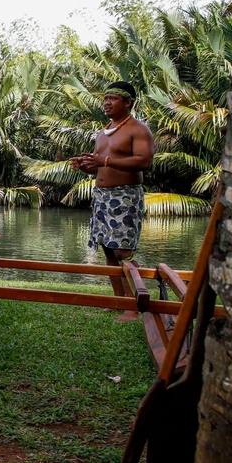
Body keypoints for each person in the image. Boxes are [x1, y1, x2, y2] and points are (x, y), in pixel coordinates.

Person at [70, 81, 154, 322]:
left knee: (123, 251)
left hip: (125, 196)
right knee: (108, 249)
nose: (106, 102)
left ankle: (133, 308)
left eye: (113, 98)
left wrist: (104, 162)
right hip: (102, 196)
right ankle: (118, 302)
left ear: (128, 103)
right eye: (105, 98)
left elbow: (144, 161)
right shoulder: (103, 132)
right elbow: (100, 167)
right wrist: (85, 167)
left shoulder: (138, 130)